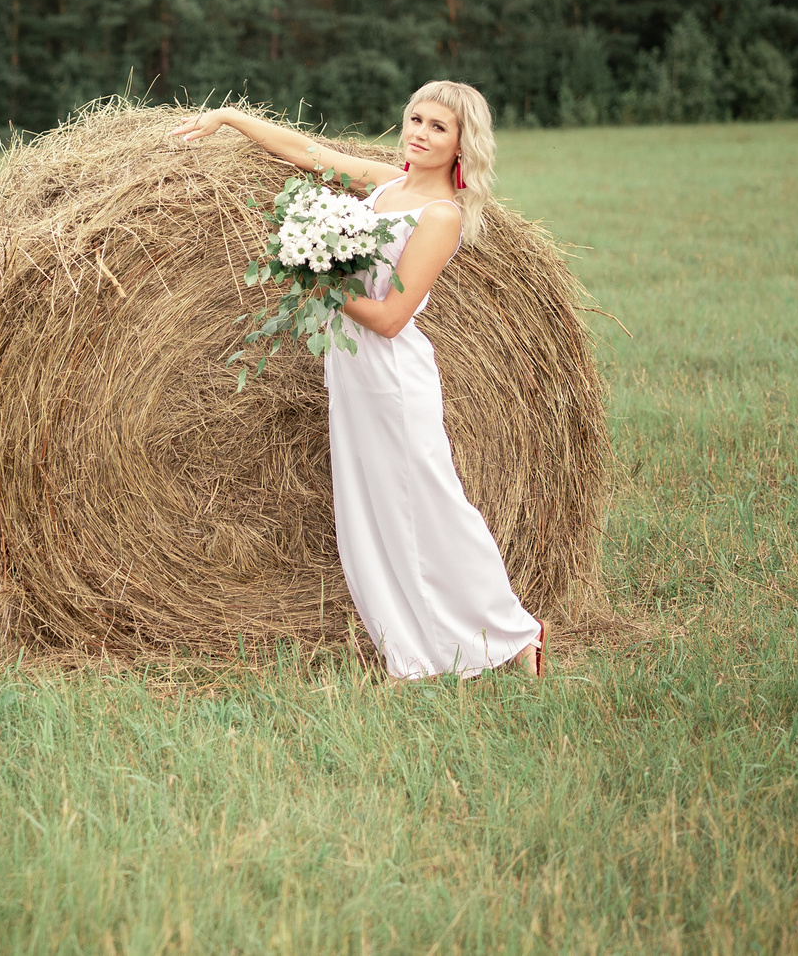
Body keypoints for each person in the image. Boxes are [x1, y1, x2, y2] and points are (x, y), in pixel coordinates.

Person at [174, 81, 544, 679]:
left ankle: (515, 635)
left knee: (432, 507)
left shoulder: (441, 215)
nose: (420, 133)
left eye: (438, 127)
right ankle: (416, 654)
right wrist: (229, 117)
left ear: (460, 145)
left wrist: (318, 278)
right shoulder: (386, 185)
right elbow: (310, 156)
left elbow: (392, 317)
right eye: (415, 119)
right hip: (351, 376)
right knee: (372, 516)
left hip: (394, 379)